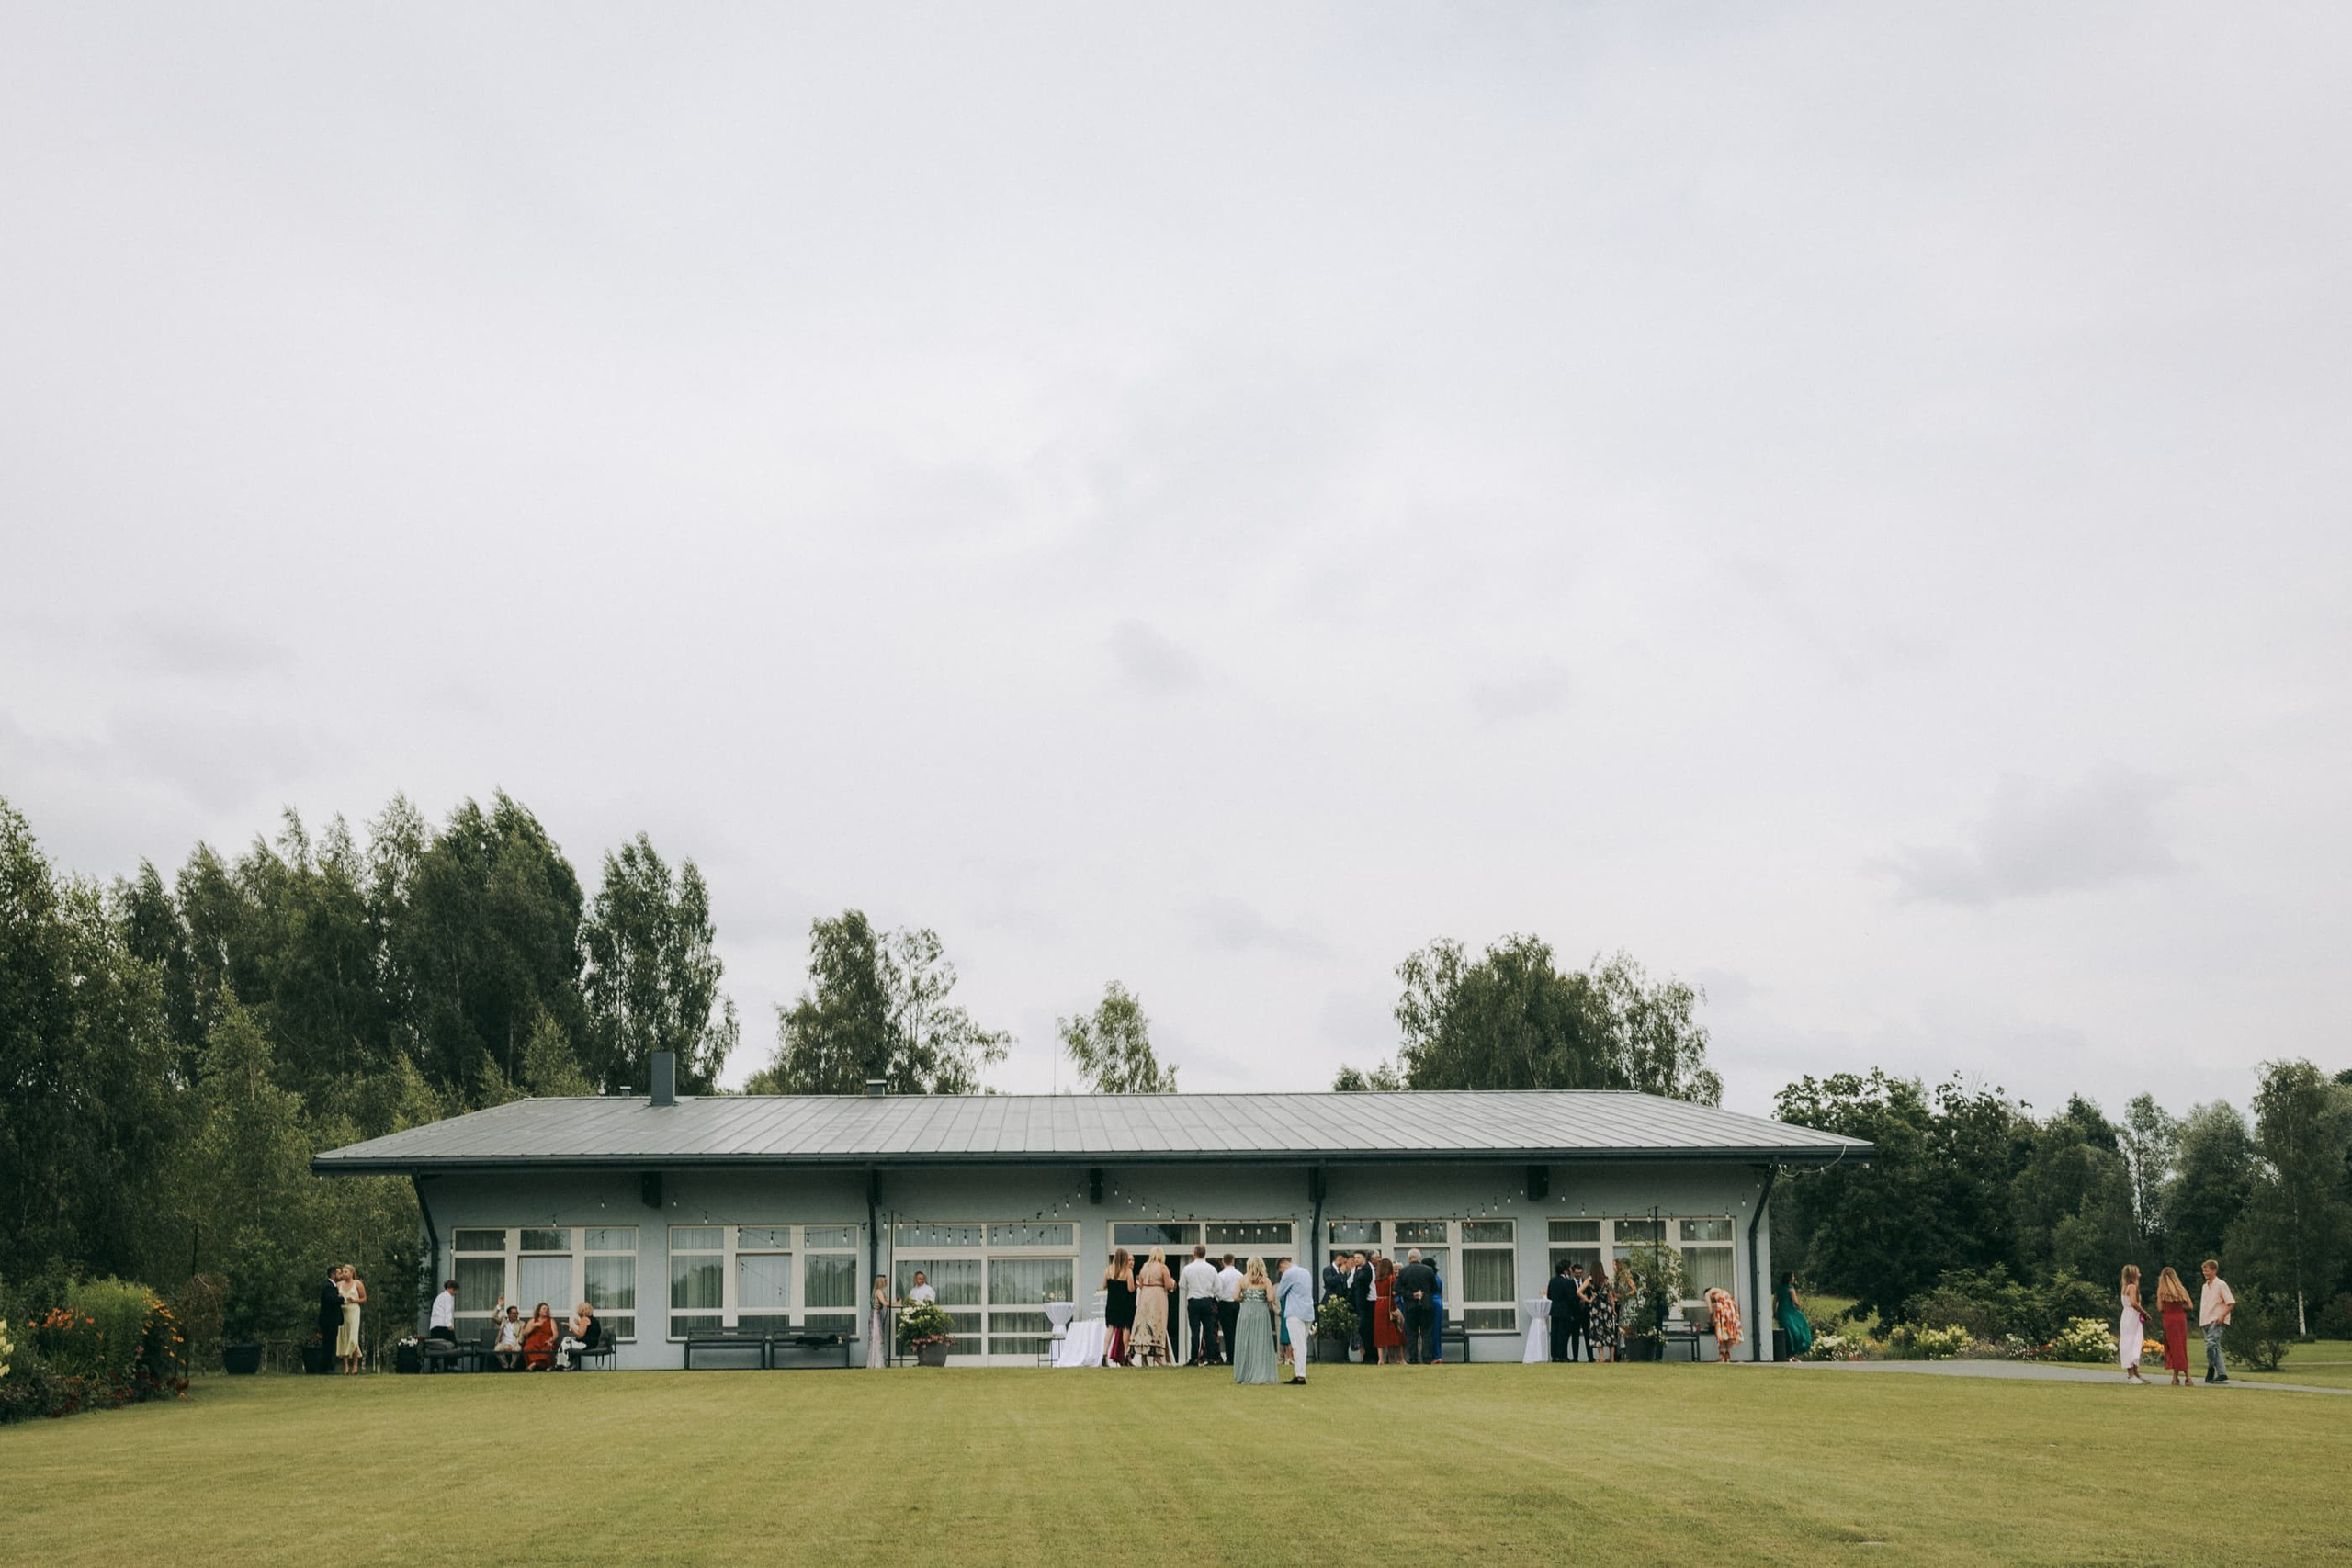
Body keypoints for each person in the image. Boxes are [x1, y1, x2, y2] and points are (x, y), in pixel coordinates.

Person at [1232, 1259, 1279, 1384]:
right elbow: (1270, 1298)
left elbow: (1235, 1296)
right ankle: (1261, 1373)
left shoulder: (1243, 1280)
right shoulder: (1266, 1281)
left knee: (1246, 1341)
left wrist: (1245, 1298)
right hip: (1260, 1313)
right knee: (1260, 1341)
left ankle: (1244, 1373)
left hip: (1246, 1312)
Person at [1132, 1249, 1176, 1367]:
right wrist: (1173, 1283)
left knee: (1144, 1323)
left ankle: (1143, 1356)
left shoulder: (1144, 1267)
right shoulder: (1163, 1267)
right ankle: (1158, 1355)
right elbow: (1167, 1284)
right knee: (1158, 1322)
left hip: (1145, 1294)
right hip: (1158, 1295)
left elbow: (1140, 1284)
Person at [1276, 1256, 1315, 1385]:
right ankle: (1299, 1373)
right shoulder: (1305, 1272)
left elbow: (1280, 1292)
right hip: (1308, 1311)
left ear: (1282, 1265)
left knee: (1298, 1345)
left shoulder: (1288, 1273)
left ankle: (1300, 1375)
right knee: (1302, 1344)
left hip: (1295, 1312)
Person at [1395, 1249, 1436, 1366]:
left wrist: (1411, 1295)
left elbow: (1397, 1288)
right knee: (1426, 1332)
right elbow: (1435, 1288)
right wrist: (1424, 1293)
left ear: (1409, 1259)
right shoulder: (1429, 1270)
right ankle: (1427, 1358)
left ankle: (1413, 1358)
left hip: (1410, 1306)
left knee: (1412, 1333)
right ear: (1420, 1258)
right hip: (1426, 1305)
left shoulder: (1404, 1272)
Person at [1182, 1245, 1221, 1366]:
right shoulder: (1211, 1269)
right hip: (1207, 1300)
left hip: (1194, 1300)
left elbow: (1182, 1285)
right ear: (1205, 1254)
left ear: (1194, 1254)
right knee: (1209, 1331)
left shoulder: (1188, 1268)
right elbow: (1218, 1287)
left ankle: (1194, 1358)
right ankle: (1210, 1357)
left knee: (1195, 1331)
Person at [2155, 1266, 2193, 1387]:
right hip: (2181, 1319)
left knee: (2173, 1347)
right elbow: (2190, 1306)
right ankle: (2184, 1376)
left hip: (2169, 1319)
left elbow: (2160, 1308)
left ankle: (2179, 1377)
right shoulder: (2181, 1290)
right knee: (2181, 1346)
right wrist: (2179, 1308)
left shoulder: (2162, 1292)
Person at [2199, 1259, 2234, 1385]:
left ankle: (2210, 1368)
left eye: (2207, 1270)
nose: (2205, 1272)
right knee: (2215, 1347)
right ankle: (2222, 1374)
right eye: (2203, 1270)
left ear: (2214, 1270)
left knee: (2210, 1344)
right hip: (2206, 1320)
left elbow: (2230, 1302)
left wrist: (2222, 1317)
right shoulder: (2205, 1286)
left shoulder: (2221, 1285)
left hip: (2216, 1319)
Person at [1102, 1249, 1136, 1367]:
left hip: (1111, 1303)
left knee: (1110, 1329)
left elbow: (1104, 1285)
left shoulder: (1108, 1269)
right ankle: (1126, 1354)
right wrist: (1137, 1285)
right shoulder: (1127, 1271)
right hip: (1124, 1304)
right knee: (1125, 1329)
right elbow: (1131, 1288)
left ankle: (1104, 1354)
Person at [1544, 1259, 1579, 1362]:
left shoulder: (1552, 1281)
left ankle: (1554, 1355)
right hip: (1565, 1312)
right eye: (1569, 1268)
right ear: (1565, 1271)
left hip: (1554, 1311)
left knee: (1555, 1333)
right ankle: (1562, 1355)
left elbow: (1549, 1295)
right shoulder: (1567, 1282)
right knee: (1563, 1334)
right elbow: (1571, 1297)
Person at [2119, 1265, 2148, 1384]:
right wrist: (2144, 1313)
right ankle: (2131, 1374)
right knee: (2130, 1342)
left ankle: (2135, 1372)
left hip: (2128, 1316)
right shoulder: (2132, 1287)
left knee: (2135, 1341)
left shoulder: (2125, 1287)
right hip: (2131, 1316)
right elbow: (2134, 1303)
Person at [1372, 1256, 1404, 1364]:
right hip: (1389, 1304)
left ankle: (1381, 1359)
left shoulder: (1377, 1279)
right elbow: (1396, 1291)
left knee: (1380, 1332)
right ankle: (1399, 1358)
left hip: (1379, 1304)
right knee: (1396, 1331)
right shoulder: (1391, 1278)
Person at [1772, 1271, 1811, 1359]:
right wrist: (1799, 1308)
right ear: (1789, 1279)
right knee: (1796, 1331)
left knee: (1786, 1333)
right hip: (1790, 1312)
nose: (1794, 1278)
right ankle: (1794, 1353)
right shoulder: (1790, 1289)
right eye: (1793, 1277)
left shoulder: (1779, 1288)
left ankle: (1788, 1353)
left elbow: (1775, 1301)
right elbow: (1796, 1302)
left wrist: (1774, 1312)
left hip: (1781, 1312)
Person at [336, 1265, 367, 1374]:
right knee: (344, 1337)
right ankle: (346, 1366)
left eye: (346, 1272)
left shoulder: (357, 1284)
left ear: (351, 1273)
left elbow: (364, 1298)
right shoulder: (339, 1284)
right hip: (343, 1312)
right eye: (343, 1272)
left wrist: (354, 1300)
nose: (344, 1274)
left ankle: (355, 1365)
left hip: (353, 1311)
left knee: (353, 1338)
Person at [1215, 1254, 1243, 1365]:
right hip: (1236, 1304)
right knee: (1236, 1331)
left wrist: (1219, 1299)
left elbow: (1217, 1290)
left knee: (1228, 1332)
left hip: (1225, 1304)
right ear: (1233, 1261)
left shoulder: (1221, 1275)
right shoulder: (1239, 1275)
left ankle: (1230, 1357)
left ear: (1223, 1262)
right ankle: (1237, 1356)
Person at [1592, 1262, 1623, 1363]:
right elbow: (1610, 1296)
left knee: (1598, 1331)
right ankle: (1612, 1357)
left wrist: (1588, 1299)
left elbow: (1579, 1291)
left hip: (1596, 1308)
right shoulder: (1606, 1281)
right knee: (1609, 1331)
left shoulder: (1591, 1280)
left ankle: (1601, 1357)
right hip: (1607, 1308)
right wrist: (1613, 1309)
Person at [557, 1302, 598, 1371]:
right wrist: (578, 1324)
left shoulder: (584, 1319)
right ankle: (567, 1363)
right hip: (593, 1343)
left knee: (565, 1343)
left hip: (586, 1344)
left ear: (581, 1311)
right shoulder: (594, 1320)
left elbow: (580, 1334)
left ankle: (563, 1364)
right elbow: (588, 1331)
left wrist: (569, 1326)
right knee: (566, 1339)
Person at [1564, 1264, 1592, 1363]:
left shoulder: (1586, 1282)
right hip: (1575, 1313)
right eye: (1577, 1273)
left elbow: (1589, 1294)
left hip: (1585, 1313)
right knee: (1575, 1336)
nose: (1579, 1275)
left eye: (1580, 1273)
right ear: (1573, 1272)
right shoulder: (1569, 1284)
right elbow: (1569, 1297)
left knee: (1587, 1335)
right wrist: (1580, 1299)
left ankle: (1590, 1356)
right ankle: (1575, 1357)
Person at [1705, 1286, 1741, 1362]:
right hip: (1732, 1309)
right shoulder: (1721, 1291)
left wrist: (1710, 1320)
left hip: (1723, 1309)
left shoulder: (1707, 1294)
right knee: (1730, 1332)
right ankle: (1727, 1355)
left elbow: (1711, 1311)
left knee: (1720, 1331)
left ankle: (1721, 1355)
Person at [521, 1301, 559, 1371]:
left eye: (547, 1309)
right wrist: (534, 1325)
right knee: (528, 1347)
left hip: (546, 1341)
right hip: (534, 1342)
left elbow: (555, 1334)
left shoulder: (551, 1321)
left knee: (547, 1348)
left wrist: (551, 1340)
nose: (546, 1310)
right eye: (544, 1309)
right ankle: (537, 1365)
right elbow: (524, 1333)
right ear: (539, 1311)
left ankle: (533, 1365)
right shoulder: (533, 1320)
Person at [1425, 1256, 1447, 1364]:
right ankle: (1438, 1355)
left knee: (1430, 1330)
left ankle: (1433, 1356)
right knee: (1437, 1330)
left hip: (1431, 1302)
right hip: (1439, 1303)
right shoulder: (1438, 1277)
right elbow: (1442, 1293)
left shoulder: (1429, 1278)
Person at [867, 1275, 892, 1369]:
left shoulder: (880, 1292)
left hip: (877, 1314)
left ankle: (877, 1360)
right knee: (877, 1337)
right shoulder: (879, 1291)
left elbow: (887, 1302)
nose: (886, 1282)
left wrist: (896, 1303)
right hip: (876, 1315)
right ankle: (877, 1361)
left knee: (878, 1337)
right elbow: (885, 1303)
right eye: (885, 1281)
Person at [492, 1300, 525, 1371]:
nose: (516, 1315)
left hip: (515, 1344)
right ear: (509, 1314)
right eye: (514, 1313)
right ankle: (505, 1367)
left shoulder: (521, 1323)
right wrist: (499, 1306)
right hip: (503, 1344)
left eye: (517, 1313)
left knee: (518, 1349)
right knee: (497, 1349)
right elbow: (493, 1317)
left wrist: (515, 1345)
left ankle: (513, 1367)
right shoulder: (503, 1321)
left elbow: (521, 1337)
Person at [427, 1278, 459, 1345]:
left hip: (435, 1326)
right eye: (454, 1290)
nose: (455, 1292)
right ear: (448, 1288)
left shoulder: (440, 1296)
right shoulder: (447, 1296)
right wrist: (449, 1325)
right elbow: (447, 1311)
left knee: (438, 1346)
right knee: (454, 1344)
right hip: (442, 1326)